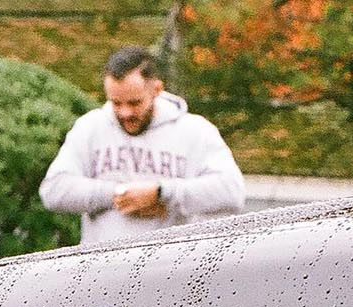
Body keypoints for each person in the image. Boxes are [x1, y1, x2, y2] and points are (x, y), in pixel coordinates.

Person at [39, 46, 245, 244]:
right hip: (103, 270)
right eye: (116, 103)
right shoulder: (90, 127)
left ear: (156, 89)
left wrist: (161, 193)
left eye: (135, 103)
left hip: (173, 269)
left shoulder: (195, 131)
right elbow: (54, 190)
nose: (125, 113)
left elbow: (231, 192)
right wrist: (120, 195)